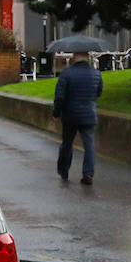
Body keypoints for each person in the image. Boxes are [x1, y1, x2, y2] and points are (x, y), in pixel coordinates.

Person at [53, 51, 104, 185]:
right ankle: (88, 173)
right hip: (89, 115)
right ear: (87, 57)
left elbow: (59, 97)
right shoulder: (96, 74)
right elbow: (98, 92)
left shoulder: (67, 74)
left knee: (67, 144)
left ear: (74, 57)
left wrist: (56, 113)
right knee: (89, 145)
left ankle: (63, 169)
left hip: (70, 115)